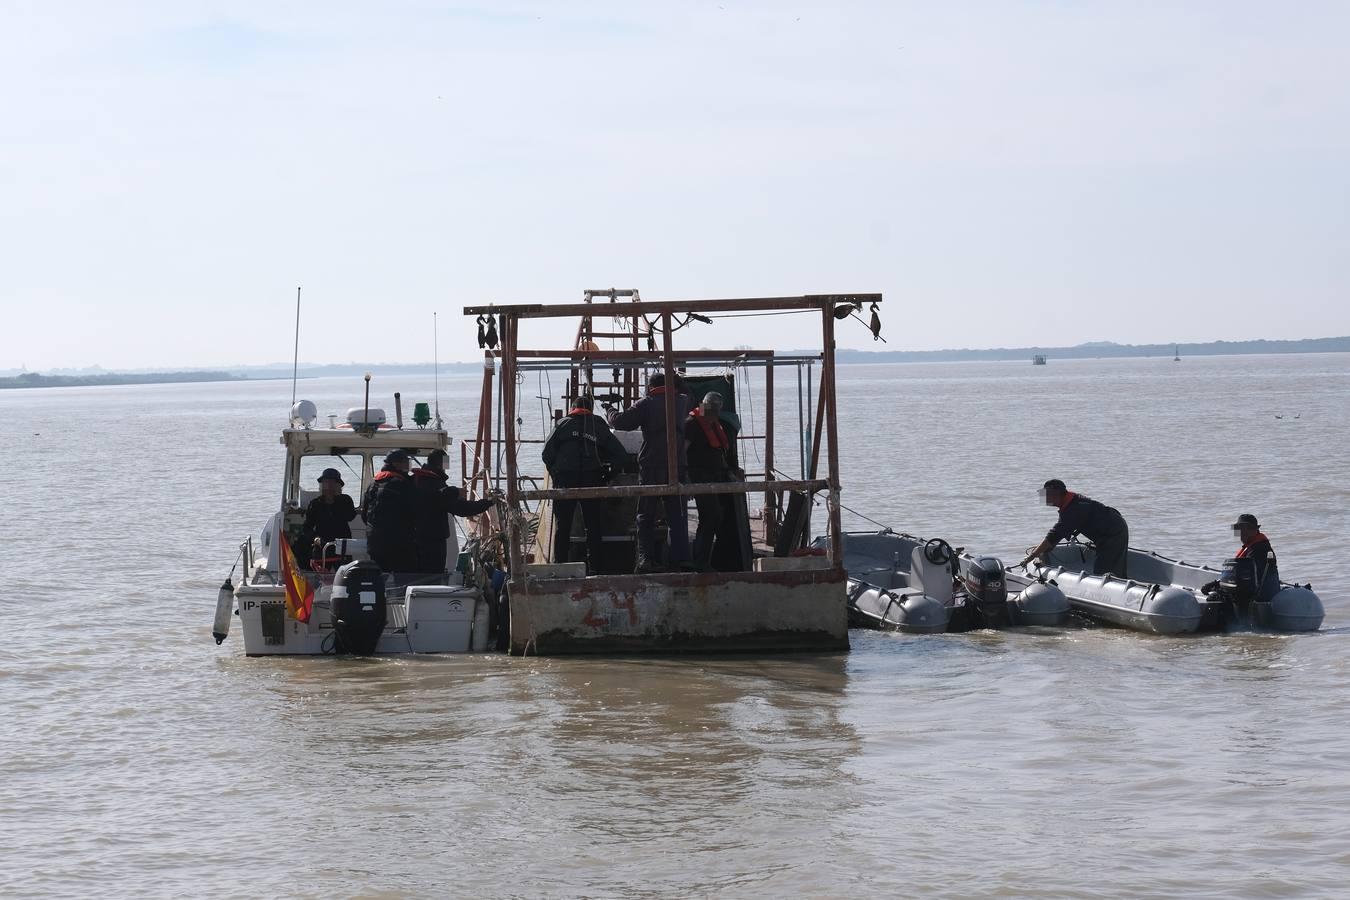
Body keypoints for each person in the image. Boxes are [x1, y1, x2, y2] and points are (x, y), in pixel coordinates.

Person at [607, 372, 691, 573]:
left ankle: (646, 559)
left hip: (651, 466)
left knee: (645, 515)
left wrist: (609, 410)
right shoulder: (683, 401)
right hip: (677, 466)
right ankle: (679, 560)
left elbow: (621, 422)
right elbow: (686, 391)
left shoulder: (647, 403)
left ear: (650, 386)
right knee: (676, 515)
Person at [542, 394, 629, 573]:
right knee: (593, 525)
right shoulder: (598, 425)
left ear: (572, 408)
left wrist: (555, 473)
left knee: (563, 525)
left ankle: (560, 567)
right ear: (590, 409)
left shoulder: (562, 424)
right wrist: (608, 475)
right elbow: (621, 455)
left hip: (565, 480)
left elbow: (546, 453)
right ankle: (596, 568)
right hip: (592, 479)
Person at [685, 391, 745, 571]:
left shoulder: (715, 424)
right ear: (704, 405)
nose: (715, 412)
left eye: (717, 409)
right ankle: (700, 561)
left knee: (716, 516)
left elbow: (719, 452)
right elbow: (682, 450)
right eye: (712, 408)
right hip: (700, 477)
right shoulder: (692, 424)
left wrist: (728, 472)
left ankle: (709, 558)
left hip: (716, 476)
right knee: (712, 516)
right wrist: (685, 477)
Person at [1021, 479, 1130, 577]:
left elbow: (1054, 534)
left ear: (1058, 495)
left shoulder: (1074, 509)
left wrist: (1033, 555)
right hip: (1110, 529)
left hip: (1113, 533)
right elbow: (1057, 533)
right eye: (1045, 495)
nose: (1046, 498)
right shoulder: (1070, 502)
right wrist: (1044, 548)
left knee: (1102, 569)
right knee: (1112, 564)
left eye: (1048, 495)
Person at [412, 449, 495, 573]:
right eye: (446, 464)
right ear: (441, 464)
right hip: (432, 539)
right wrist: (488, 503)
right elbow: (461, 509)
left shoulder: (416, 480)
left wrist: (453, 491)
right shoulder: (435, 484)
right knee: (432, 572)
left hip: (414, 536)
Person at [362, 449, 420, 572]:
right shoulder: (402, 484)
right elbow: (414, 512)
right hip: (398, 543)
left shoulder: (373, 484)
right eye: (405, 462)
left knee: (379, 577)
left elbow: (365, 515)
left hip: (374, 542)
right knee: (404, 577)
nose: (408, 465)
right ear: (396, 463)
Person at [1203, 513, 1280, 597]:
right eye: (1239, 530)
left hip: (1259, 596)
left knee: (1214, 599)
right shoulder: (1252, 547)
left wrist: (1217, 587)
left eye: (1243, 530)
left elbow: (1245, 579)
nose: (1240, 534)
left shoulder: (1259, 550)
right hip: (1253, 592)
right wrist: (1216, 584)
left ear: (1254, 530)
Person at [301, 468, 359, 567]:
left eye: (332, 483)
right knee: (319, 573)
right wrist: (315, 538)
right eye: (325, 483)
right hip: (322, 543)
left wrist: (336, 499)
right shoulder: (315, 504)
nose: (329, 486)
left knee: (345, 573)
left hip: (342, 544)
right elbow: (307, 527)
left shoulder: (346, 500)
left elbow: (350, 516)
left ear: (338, 485)